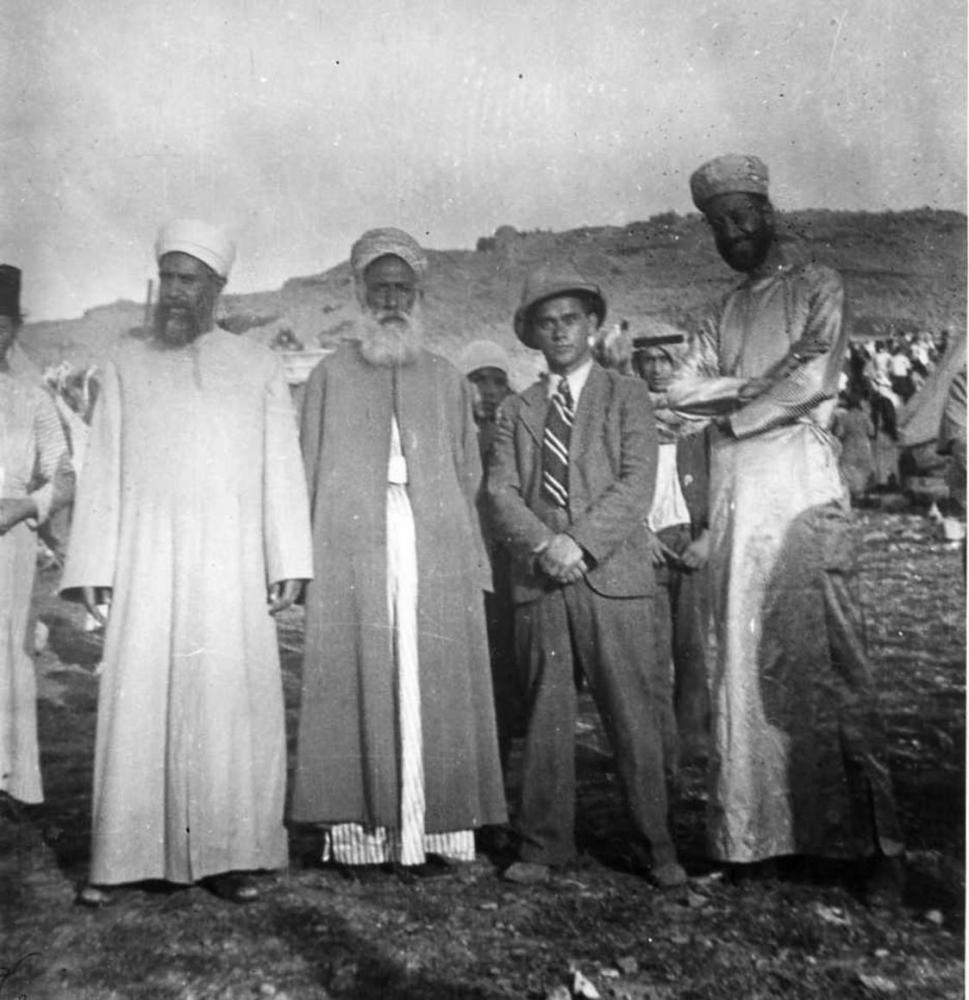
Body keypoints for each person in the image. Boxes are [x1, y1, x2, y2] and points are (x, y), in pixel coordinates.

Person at [667, 155, 904, 899]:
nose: (733, 234)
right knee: (742, 661)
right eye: (718, 225)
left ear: (768, 213)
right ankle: (755, 840)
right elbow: (680, 388)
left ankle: (872, 847)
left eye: (743, 217)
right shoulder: (715, 315)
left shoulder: (817, 285)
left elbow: (814, 378)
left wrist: (733, 409)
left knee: (831, 659)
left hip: (803, 488)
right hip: (739, 495)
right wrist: (748, 386)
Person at [60, 219, 313, 905]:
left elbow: (280, 468)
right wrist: (92, 567)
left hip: (229, 564)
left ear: (217, 288)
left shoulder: (256, 365)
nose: (174, 291)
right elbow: (104, 466)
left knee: (229, 705)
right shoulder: (123, 361)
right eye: (167, 276)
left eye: (188, 278)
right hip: (146, 561)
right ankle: (124, 856)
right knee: (139, 700)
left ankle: (232, 856)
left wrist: (287, 554)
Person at [292, 228, 506, 875]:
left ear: (419, 295)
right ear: (358, 293)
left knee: (434, 673)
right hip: (351, 547)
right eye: (378, 287)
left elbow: (466, 473)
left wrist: (445, 533)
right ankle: (361, 836)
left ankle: (438, 831)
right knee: (359, 672)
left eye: (401, 288)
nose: (390, 299)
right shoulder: (328, 376)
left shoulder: (444, 378)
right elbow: (305, 469)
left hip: (432, 543)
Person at [487, 266, 686, 888]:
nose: (560, 331)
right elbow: (500, 489)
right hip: (542, 580)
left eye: (570, 319)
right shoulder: (517, 410)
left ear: (593, 324)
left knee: (634, 715)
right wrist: (546, 543)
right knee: (545, 715)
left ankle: (656, 844)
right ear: (532, 336)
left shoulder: (626, 395)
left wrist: (581, 543)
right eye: (546, 323)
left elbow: (636, 483)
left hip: (613, 577)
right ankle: (543, 843)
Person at [0, 265, 73, 811]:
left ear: (13, 329)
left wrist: (28, 505)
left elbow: (63, 474)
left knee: (10, 655)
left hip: (10, 545)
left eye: (1, 323)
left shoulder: (31, 398)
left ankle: (8, 778)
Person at [630, 334, 711, 771]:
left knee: (693, 648)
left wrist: (709, 536)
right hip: (648, 542)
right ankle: (660, 750)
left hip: (691, 538)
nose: (658, 368)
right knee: (653, 651)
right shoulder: (625, 415)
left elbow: (722, 478)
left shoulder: (699, 417)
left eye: (666, 359)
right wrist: (638, 531)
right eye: (649, 360)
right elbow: (614, 481)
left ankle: (693, 738)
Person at [456, 340, 522, 774]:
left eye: (498, 380)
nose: (491, 390)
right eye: (480, 380)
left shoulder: (517, 432)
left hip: (510, 568)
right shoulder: (451, 432)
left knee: (507, 670)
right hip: (465, 565)